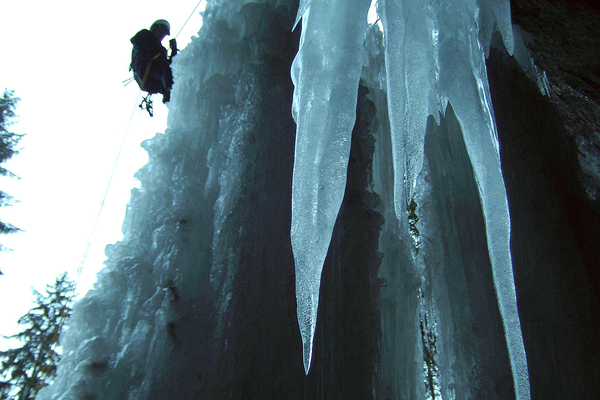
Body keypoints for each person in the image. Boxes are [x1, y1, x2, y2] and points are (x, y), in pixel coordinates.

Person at [130, 20, 178, 103]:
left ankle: (171, 95)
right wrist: (162, 51)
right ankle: (170, 92)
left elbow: (172, 66)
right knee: (165, 69)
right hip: (145, 71)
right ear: (153, 28)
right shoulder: (145, 35)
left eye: (164, 33)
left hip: (152, 81)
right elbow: (137, 40)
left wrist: (173, 50)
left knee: (172, 72)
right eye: (161, 31)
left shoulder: (156, 49)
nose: (161, 35)